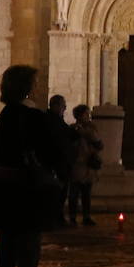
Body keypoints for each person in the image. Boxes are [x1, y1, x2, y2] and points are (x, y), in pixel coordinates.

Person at [0, 65, 64, 267]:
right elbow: (54, 150)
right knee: (28, 255)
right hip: (26, 192)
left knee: (6, 255)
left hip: (3, 191)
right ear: (28, 87)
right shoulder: (31, 116)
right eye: (35, 82)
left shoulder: (5, 115)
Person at [67, 104, 103, 227]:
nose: (88, 116)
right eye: (86, 114)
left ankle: (86, 216)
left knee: (86, 193)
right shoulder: (72, 129)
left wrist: (88, 133)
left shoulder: (92, 128)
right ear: (79, 115)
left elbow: (99, 144)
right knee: (74, 193)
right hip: (77, 165)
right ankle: (72, 217)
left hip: (88, 165)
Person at [45, 95, 75, 227]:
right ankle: (55, 219)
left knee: (60, 193)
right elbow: (59, 140)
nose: (65, 108)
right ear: (56, 106)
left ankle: (57, 218)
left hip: (61, 163)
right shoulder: (51, 121)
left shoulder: (56, 120)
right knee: (57, 193)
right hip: (56, 164)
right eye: (63, 106)